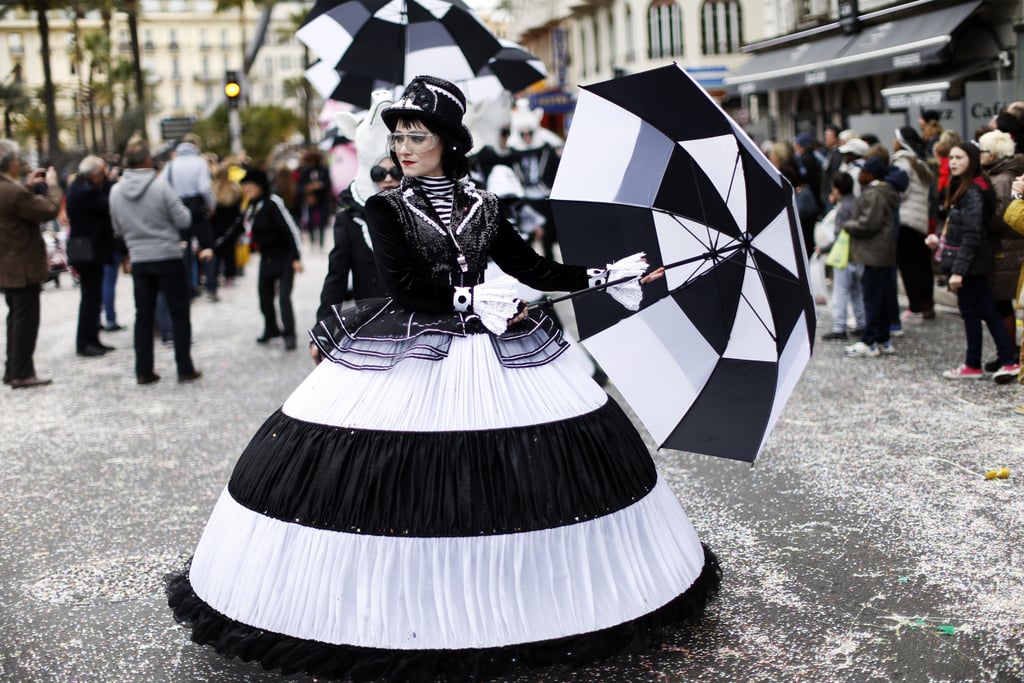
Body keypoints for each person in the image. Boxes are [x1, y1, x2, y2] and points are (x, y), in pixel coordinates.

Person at [167, 75, 720, 682]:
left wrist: (607, 275)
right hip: (417, 349)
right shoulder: (384, 206)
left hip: (491, 348)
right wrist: (473, 298)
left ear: (447, 142)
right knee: (403, 482)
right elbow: (404, 288)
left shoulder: (485, 204)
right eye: (398, 136)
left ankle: (519, 596)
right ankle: (412, 606)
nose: (403, 148)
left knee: (511, 472)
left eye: (417, 136)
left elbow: (533, 266)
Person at [109, 138, 208, 385]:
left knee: (143, 314)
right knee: (179, 312)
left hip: (140, 258)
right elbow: (183, 219)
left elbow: (117, 227)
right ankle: (184, 367)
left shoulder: (116, 190)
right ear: (147, 161)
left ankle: (144, 370)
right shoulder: (160, 186)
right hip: (168, 255)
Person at [927, 142, 1020, 382]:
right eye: (951, 157)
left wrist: (958, 270)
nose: (954, 162)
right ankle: (1005, 360)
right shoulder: (970, 187)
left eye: (960, 157)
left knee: (973, 312)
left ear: (972, 159)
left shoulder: (973, 190)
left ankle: (976, 363)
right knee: (986, 311)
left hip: (971, 262)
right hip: (973, 260)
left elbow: (972, 233)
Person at [310, 152, 398, 363]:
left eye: (395, 172)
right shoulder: (350, 220)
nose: (387, 179)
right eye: (379, 173)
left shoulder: (420, 215)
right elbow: (336, 277)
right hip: (372, 323)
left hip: (417, 324)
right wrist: (322, 330)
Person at [0, 138, 61, 388]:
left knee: (15, 318)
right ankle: (22, 373)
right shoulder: (12, 191)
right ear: (12, 163)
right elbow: (47, 210)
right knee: (26, 320)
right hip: (22, 265)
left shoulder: (10, 189)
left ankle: (12, 369)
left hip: (8, 263)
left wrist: (27, 185)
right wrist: (54, 187)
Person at [237, 167, 304, 350]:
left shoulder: (273, 203)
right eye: (245, 186)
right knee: (264, 297)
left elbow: (291, 230)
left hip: (285, 257)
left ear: (260, 185)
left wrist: (296, 257)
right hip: (266, 258)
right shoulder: (251, 206)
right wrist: (215, 248)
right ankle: (271, 328)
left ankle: (290, 334)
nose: (247, 189)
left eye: (250, 185)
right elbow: (237, 228)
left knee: (283, 299)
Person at [843, 156, 900, 358]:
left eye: (864, 170)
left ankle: (870, 340)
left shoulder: (874, 193)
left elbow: (869, 223)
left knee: (872, 297)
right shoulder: (885, 191)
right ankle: (883, 338)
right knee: (881, 297)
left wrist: (848, 225)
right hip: (883, 252)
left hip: (873, 252)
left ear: (871, 174)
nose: (860, 174)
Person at [977, 129, 1024, 370]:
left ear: (993, 155)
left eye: (982, 151)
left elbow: (1005, 216)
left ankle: (1010, 352)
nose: (979, 155)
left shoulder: (1003, 178)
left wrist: (981, 220)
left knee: (1001, 302)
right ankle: (1008, 351)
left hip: (1006, 248)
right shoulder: (1000, 175)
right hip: (1005, 247)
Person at [65, 155, 118, 357]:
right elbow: (107, 204)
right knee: (90, 298)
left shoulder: (80, 187)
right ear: (95, 175)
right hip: (88, 250)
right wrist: (111, 183)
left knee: (92, 297)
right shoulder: (85, 192)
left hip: (88, 248)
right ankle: (86, 342)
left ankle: (92, 339)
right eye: (102, 174)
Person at [161, 134, 215, 300]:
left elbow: (163, 187)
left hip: (177, 209)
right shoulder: (199, 162)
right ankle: (211, 287)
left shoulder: (171, 165)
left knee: (183, 250)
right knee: (207, 247)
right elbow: (204, 187)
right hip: (197, 209)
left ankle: (187, 288)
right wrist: (211, 204)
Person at [891, 126, 937, 322]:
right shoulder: (921, 163)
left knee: (908, 264)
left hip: (905, 219)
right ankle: (927, 305)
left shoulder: (902, 161)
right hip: (921, 220)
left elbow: (902, 190)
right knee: (923, 264)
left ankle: (915, 307)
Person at [820, 173, 864, 340]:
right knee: (856, 291)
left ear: (837, 189)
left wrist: (823, 249)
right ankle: (861, 323)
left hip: (843, 256)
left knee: (841, 291)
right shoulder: (857, 202)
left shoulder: (842, 209)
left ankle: (839, 327)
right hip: (858, 254)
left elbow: (839, 236)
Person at [208, 162, 243, 290]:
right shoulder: (234, 188)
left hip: (215, 223)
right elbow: (238, 208)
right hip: (230, 223)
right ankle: (229, 275)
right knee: (230, 250)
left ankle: (215, 274)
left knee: (216, 250)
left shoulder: (212, 188)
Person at [295, 147, 333, 249]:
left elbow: (328, 184)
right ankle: (312, 241)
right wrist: (308, 189)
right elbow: (299, 186)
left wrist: (320, 185)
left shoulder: (323, 170)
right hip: (310, 199)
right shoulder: (305, 171)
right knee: (310, 221)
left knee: (322, 221)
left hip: (322, 198)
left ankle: (321, 242)